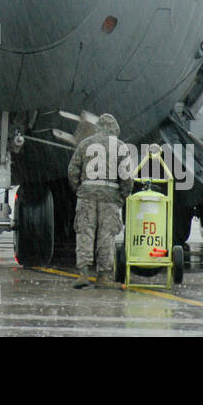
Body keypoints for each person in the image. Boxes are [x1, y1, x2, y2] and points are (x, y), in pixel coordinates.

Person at [67, 113, 132, 288]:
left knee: (84, 233)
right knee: (106, 236)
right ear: (114, 129)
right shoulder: (120, 146)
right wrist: (121, 197)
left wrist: (79, 189)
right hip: (109, 198)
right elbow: (126, 177)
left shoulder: (85, 144)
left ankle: (83, 274)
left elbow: (73, 170)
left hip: (87, 195)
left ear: (98, 128)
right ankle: (103, 276)